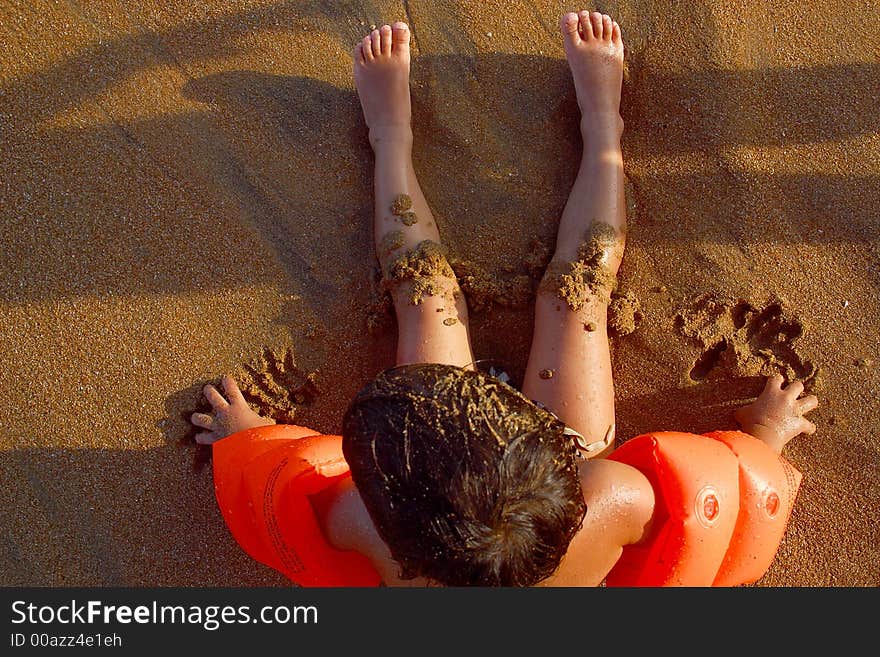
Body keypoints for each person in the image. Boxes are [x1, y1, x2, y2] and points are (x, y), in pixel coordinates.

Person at [190, 11, 818, 587]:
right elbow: (726, 496)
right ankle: (604, 127)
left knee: (421, 289)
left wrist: (244, 439)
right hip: (566, 456)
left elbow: (279, 492)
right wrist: (763, 438)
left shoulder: (369, 527)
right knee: (581, 298)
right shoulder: (610, 498)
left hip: (491, 474)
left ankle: (390, 137)